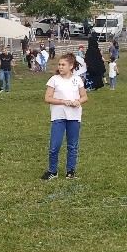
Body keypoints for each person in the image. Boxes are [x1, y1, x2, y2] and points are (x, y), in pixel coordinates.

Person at [42, 52, 87, 181]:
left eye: (63, 64)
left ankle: (70, 171)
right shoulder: (54, 79)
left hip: (74, 117)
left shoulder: (77, 79)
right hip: (58, 116)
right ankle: (52, 171)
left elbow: (84, 96)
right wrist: (63, 101)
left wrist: (78, 101)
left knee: (72, 146)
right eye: (59, 64)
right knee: (54, 146)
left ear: (71, 66)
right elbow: (47, 98)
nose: (60, 67)